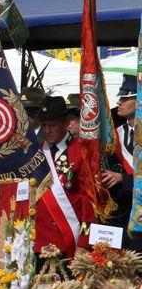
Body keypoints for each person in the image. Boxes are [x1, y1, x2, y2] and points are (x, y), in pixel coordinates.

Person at [35, 95, 93, 257]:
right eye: (44, 125)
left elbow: (88, 202)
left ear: (66, 123)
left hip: (68, 241)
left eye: (52, 125)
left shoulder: (81, 151)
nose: (46, 131)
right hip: (39, 242)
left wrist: (84, 243)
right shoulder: (37, 153)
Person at [102, 75, 142, 251]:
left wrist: (123, 179)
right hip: (120, 215)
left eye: (126, 97)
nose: (119, 101)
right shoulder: (114, 134)